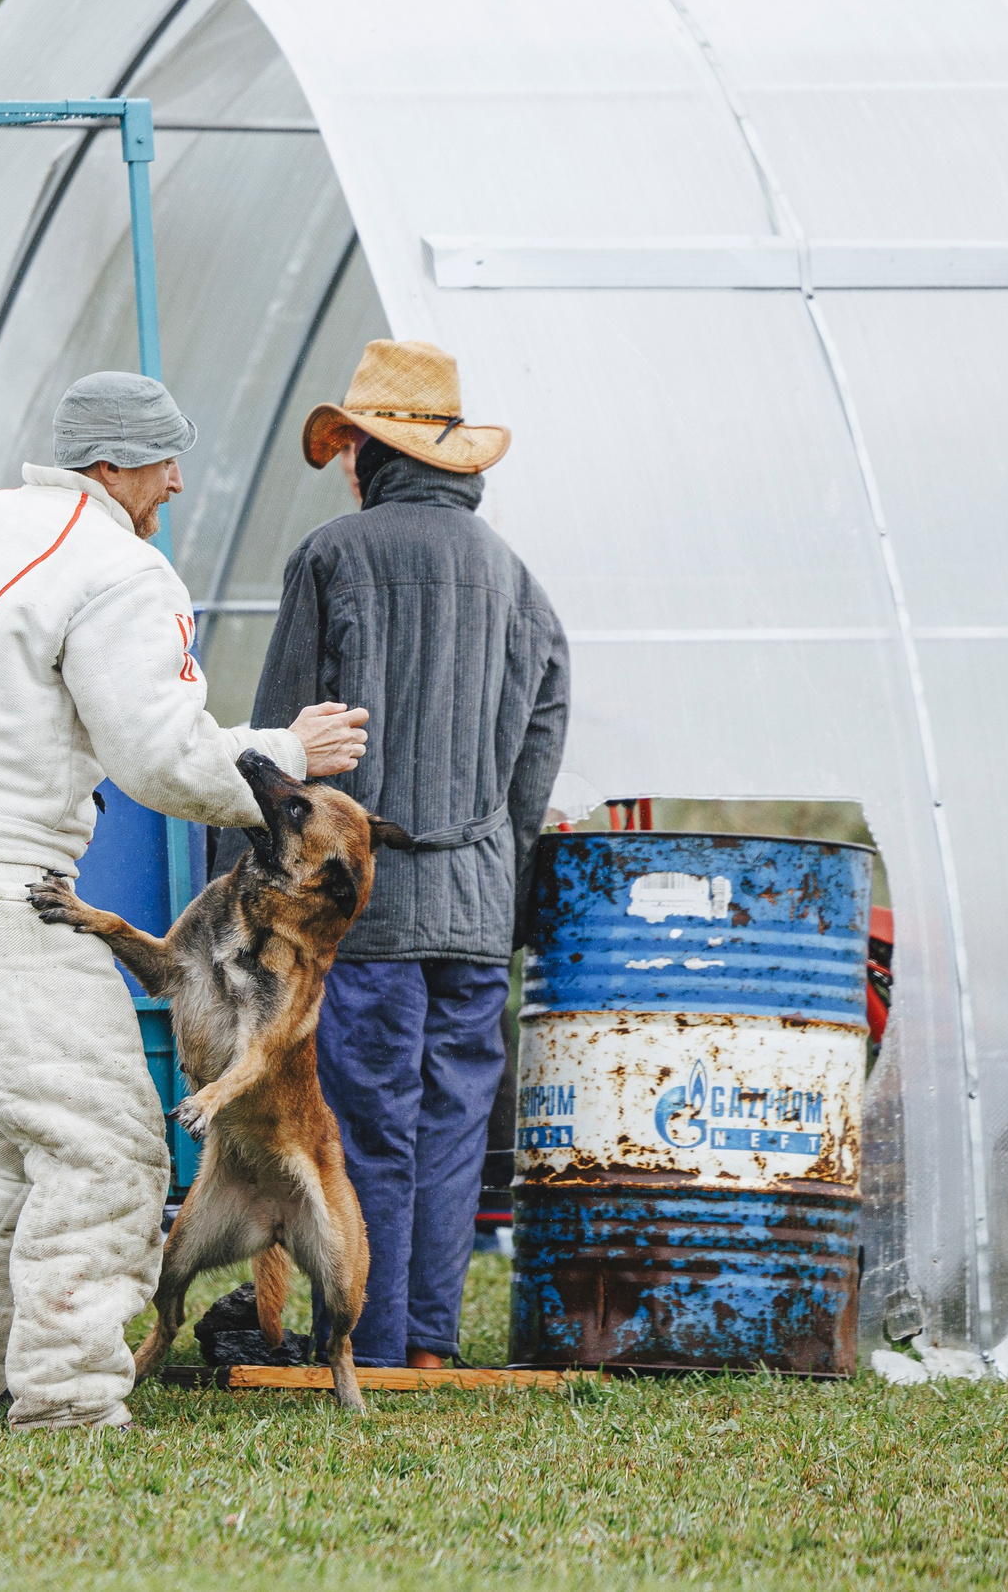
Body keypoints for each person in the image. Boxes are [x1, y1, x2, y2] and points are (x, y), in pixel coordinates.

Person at [0, 372, 369, 1430]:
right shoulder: (118, 565)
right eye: (163, 460)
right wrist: (290, 753)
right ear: (113, 461)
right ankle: (68, 1396)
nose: (172, 482)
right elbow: (160, 754)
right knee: (104, 1145)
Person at [243, 338, 568, 1371]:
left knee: (367, 1123)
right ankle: (427, 1339)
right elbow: (538, 744)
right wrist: (506, 883)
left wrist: (251, 892)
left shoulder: (333, 555)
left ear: (364, 456)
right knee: (453, 1129)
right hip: (473, 912)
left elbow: (275, 748)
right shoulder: (515, 579)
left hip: (361, 908)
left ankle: (367, 1338)